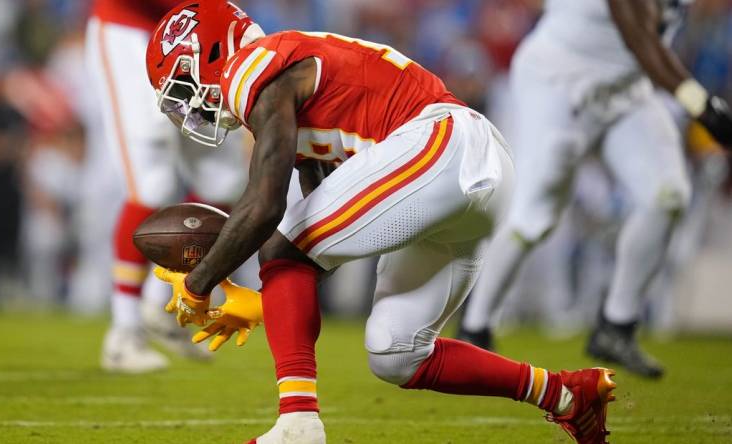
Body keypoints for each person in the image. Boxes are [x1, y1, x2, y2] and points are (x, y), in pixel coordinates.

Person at [145, 2, 617, 443]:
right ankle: (566, 395)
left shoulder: (253, 67)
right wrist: (272, 299)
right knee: (397, 352)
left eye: (183, 90)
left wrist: (198, 284)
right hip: (469, 168)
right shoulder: (288, 77)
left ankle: (297, 423)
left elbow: (267, 207)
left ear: (208, 53)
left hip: (441, 145)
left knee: (285, 246)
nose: (192, 108)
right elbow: (325, 220)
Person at [458, 0, 732, 379]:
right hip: (557, 83)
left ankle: (616, 325)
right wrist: (702, 105)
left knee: (667, 195)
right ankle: (475, 329)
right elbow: (641, 39)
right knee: (534, 216)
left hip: (626, 92)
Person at [85, 0, 251, 372]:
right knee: (151, 185)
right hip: (131, 28)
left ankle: (166, 302)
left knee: (223, 181)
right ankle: (123, 331)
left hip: (197, 33)